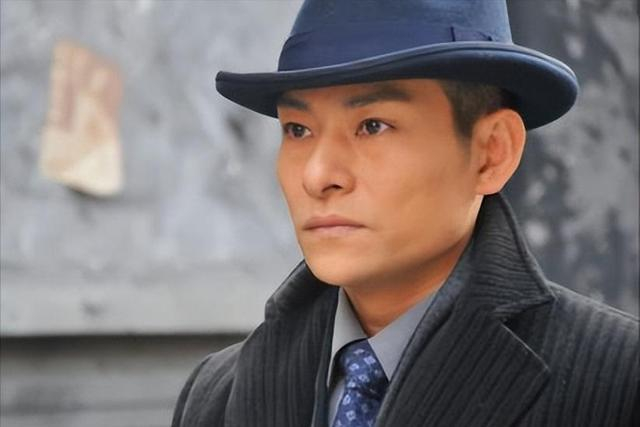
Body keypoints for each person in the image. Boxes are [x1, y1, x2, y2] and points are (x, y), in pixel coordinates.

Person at [172, 1, 638, 426]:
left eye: (372, 126)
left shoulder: (617, 384)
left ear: (491, 152)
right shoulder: (216, 395)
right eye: (297, 129)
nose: (318, 175)